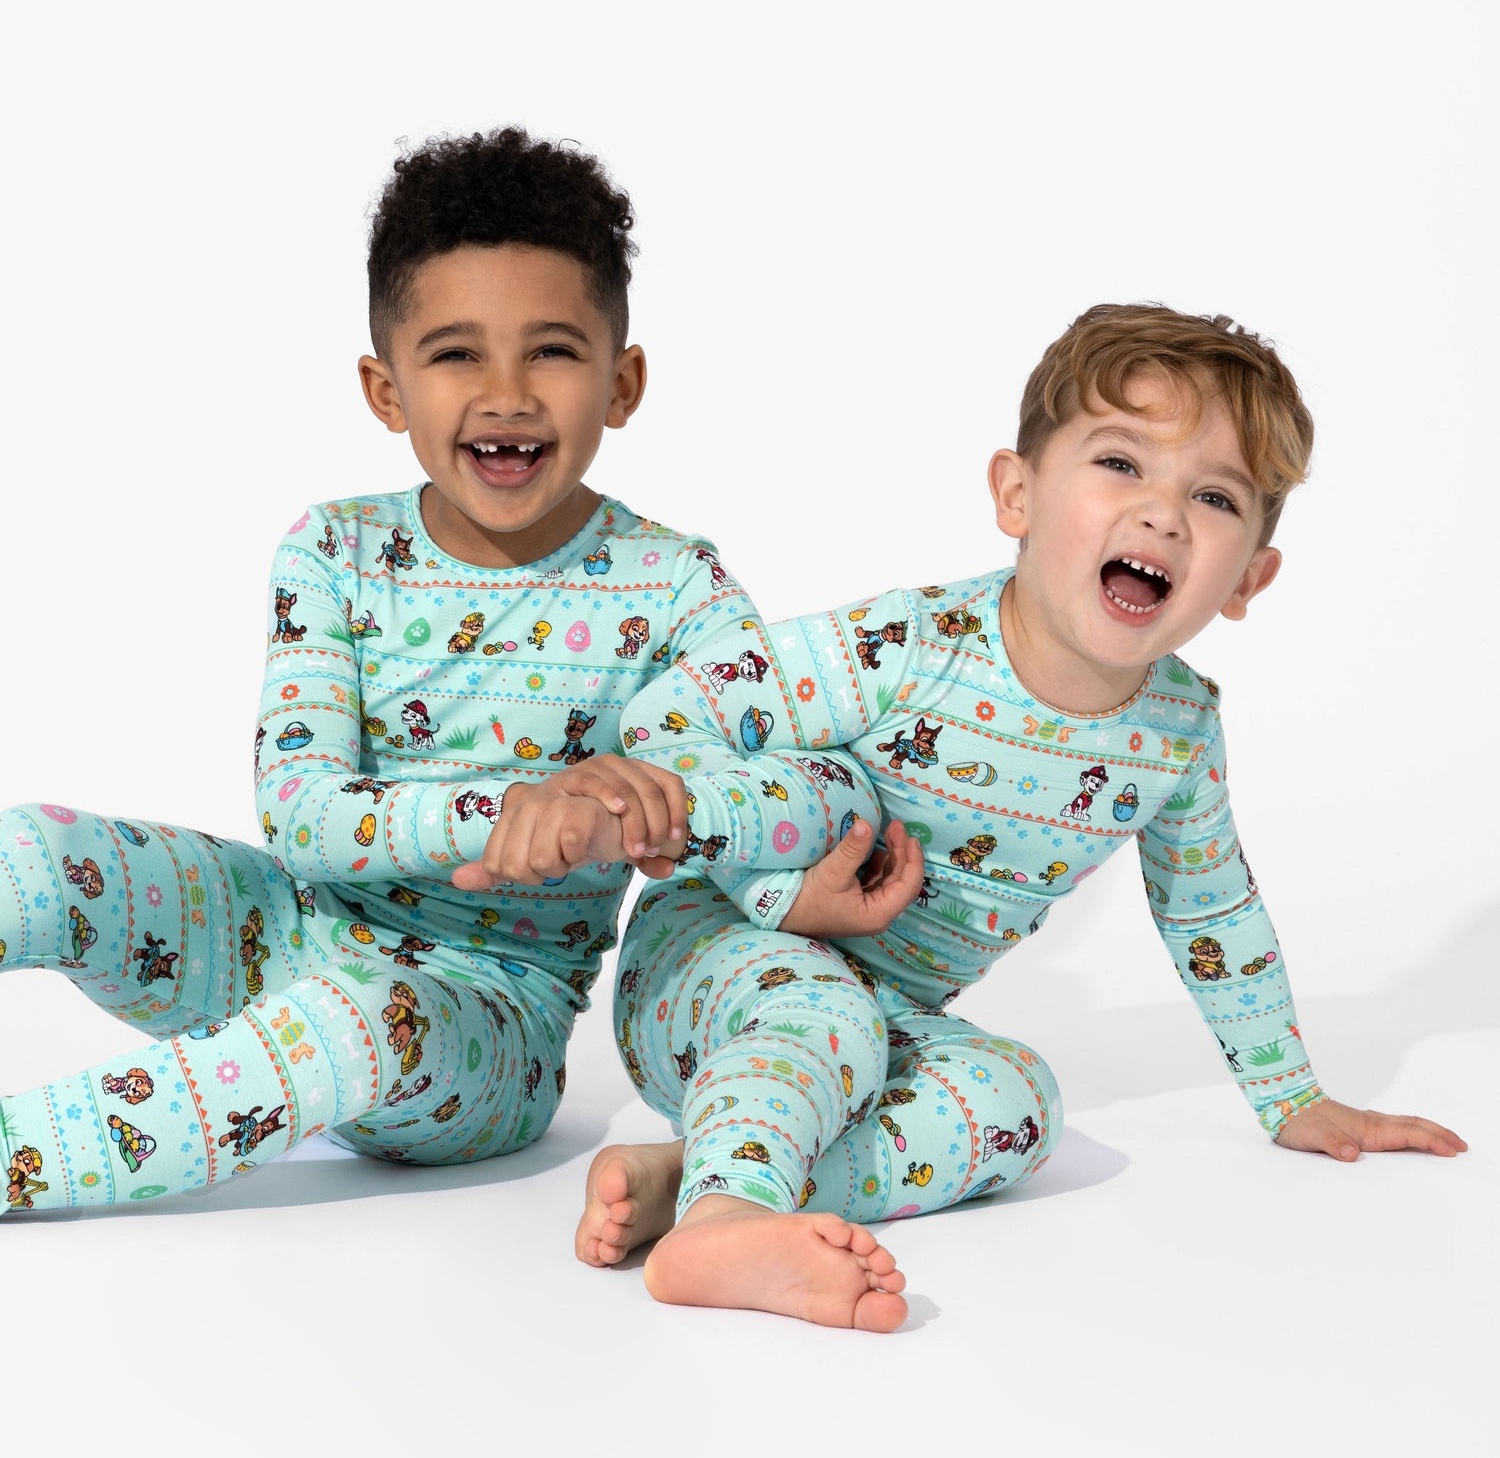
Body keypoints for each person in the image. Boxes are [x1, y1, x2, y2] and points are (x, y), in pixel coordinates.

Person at [0, 127, 878, 1216]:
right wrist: (517, 809)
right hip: (285, 929)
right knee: (30, 852)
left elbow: (820, 787)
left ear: (622, 382)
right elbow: (301, 812)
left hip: (484, 1023)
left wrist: (675, 812)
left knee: (352, 1021)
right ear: (387, 390)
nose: (506, 394)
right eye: (458, 354)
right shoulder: (334, 551)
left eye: (552, 351)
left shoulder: (674, 587)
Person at [572, 303, 1468, 1332]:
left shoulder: (1177, 732)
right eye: (1121, 464)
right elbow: (671, 715)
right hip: (708, 962)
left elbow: (1212, 913)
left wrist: (1292, 1097)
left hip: (878, 1015)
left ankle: (701, 1183)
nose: (1164, 516)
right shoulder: (908, 647)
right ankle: (727, 1220)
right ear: (1017, 494)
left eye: (1214, 497)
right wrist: (778, 892)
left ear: (1249, 579)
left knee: (1020, 1107)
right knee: (825, 893)